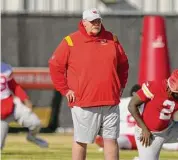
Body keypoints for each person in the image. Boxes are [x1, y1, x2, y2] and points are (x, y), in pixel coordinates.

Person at [49, 8, 129, 160]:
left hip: (110, 101)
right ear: (84, 23)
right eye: (92, 22)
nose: (96, 24)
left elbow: (123, 65)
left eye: (98, 21)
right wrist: (65, 90)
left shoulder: (113, 39)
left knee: (111, 140)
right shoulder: (70, 41)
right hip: (84, 102)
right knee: (81, 141)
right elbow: (55, 67)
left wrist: (121, 85)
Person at [95, 84, 178, 152]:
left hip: (143, 135)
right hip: (135, 135)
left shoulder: (124, 102)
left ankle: (107, 143)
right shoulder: (142, 102)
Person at [128, 69, 178, 160]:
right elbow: (131, 106)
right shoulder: (155, 86)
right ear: (170, 88)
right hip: (149, 134)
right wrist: (144, 129)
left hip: (169, 129)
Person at [0, 62, 48, 149]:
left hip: (12, 105)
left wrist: (25, 99)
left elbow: (14, 86)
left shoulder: (4, 68)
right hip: (1, 116)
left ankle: (32, 137)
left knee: (35, 123)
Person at [95, 84, 141, 150]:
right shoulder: (125, 103)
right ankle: (107, 144)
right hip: (129, 136)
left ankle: (107, 145)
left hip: (132, 136)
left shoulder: (123, 102)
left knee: (116, 140)